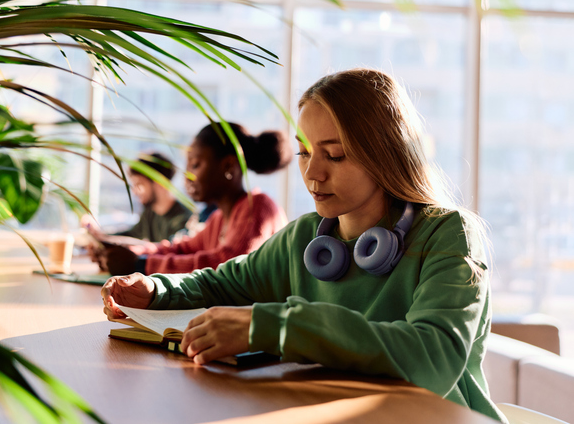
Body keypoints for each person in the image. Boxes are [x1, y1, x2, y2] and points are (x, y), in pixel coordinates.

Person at [101, 69, 506, 422]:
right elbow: (222, 284)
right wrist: (155, 289)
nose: (312, 172)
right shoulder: (306, 238)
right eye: (305, 152)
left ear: (387, 154)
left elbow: (431, 359)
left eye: (335, 154)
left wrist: (275, 326)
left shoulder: (449, 234)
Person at [96, 122, 292, 275]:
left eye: (195, 165)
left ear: (229, 166)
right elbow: (181, 249)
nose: (187, 176)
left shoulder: (257, 207)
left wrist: (141, 264)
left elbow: (225, 267)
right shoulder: (218, 219)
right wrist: (122, 253)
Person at [84, 152, 192, 243]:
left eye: (139, 185)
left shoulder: (184, 220)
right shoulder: (150, 213)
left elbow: (170, 251)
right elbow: (131, 235)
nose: (135, 192)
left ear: (160, 183)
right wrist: (99, 235)